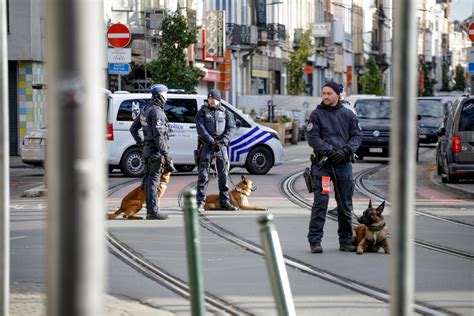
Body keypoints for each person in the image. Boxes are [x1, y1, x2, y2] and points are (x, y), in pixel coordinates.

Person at [306, 81, 362, 253]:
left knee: (345, 203)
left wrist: (345, 151)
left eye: (329, 93)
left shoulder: (348, 115)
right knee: (321, 202)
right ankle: (315, 241)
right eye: (323, 93)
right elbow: (313, 138)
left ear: (338, 95)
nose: (326, 97)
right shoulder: (316, 115)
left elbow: (357, 136)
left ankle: (345, 240)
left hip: (343, 165)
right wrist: (330, 151)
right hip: (323, 167)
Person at [130, 84, 175, 220]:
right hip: (156, 152)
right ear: (160, 95)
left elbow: (133, 128)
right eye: (165, 95)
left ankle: (151, 209)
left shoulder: (145, 110)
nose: (166, 98)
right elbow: (159, 136)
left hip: (147, 150)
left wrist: (141, 144)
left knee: (148, 180)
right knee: (154, 181)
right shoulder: (157, 112)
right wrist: (166, 154)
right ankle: (153, 212)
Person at [195, 89, 238, 212]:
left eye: (213, 98)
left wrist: (224, 140)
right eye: (209, 98)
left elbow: (231, 128)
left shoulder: (226, 113)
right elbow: (200, 128)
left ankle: (224, 201)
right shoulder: (202, 112)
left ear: (218, 99)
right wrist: (211, 141)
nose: (211, 100)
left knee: (223, 174)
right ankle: (200, 202)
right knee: (203, 175)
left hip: (221, 146)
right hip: (207, 146)